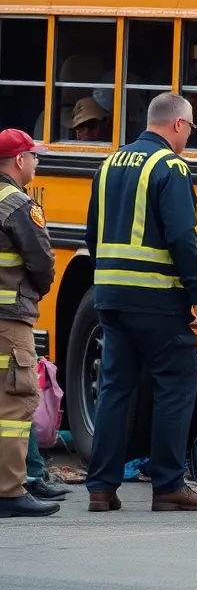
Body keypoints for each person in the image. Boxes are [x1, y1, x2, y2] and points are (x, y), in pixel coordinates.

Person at [84, 93, 197, 512]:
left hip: (110, 296)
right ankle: (169, 486)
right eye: (191, 128)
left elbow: (92, 234)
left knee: (114, 389)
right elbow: (181, 236)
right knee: (174, 387)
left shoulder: (108, 164)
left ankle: (101, 488)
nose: (189, 137)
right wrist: (196, 294)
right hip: (157, 299)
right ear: (177, 124)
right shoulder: (170, 167)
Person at [0, 129, 59, 518]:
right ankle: (10, 491)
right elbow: (42, 262)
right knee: (15, 406)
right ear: (20, 161)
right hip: (9, 321)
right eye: (34, 156)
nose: (37, 162)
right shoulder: (19, 205)